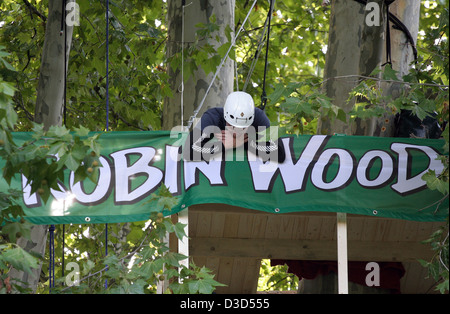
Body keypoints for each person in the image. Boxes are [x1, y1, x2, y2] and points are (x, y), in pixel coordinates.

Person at [184, 91, 285, 163]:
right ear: (225, 117)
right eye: (232, 126)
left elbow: (279, 153)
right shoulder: (212, 117)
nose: (237, 132)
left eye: (243, 128)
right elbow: (188, 152)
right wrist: (223, 145)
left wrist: (244, 143)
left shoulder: (259, 116)